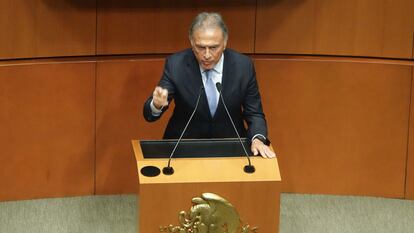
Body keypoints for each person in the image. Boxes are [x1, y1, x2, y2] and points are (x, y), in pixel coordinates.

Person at [143, 12, 275, 158]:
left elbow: (254, 112)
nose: (206, 55)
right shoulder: (176, 64)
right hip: (183, 150)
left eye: (213, 47)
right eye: (200, 47)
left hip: (230, 149)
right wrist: (156, 105)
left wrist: (257, 139)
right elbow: (150, 114)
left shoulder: (243, 66)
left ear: (224, 43)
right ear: (192, 42)